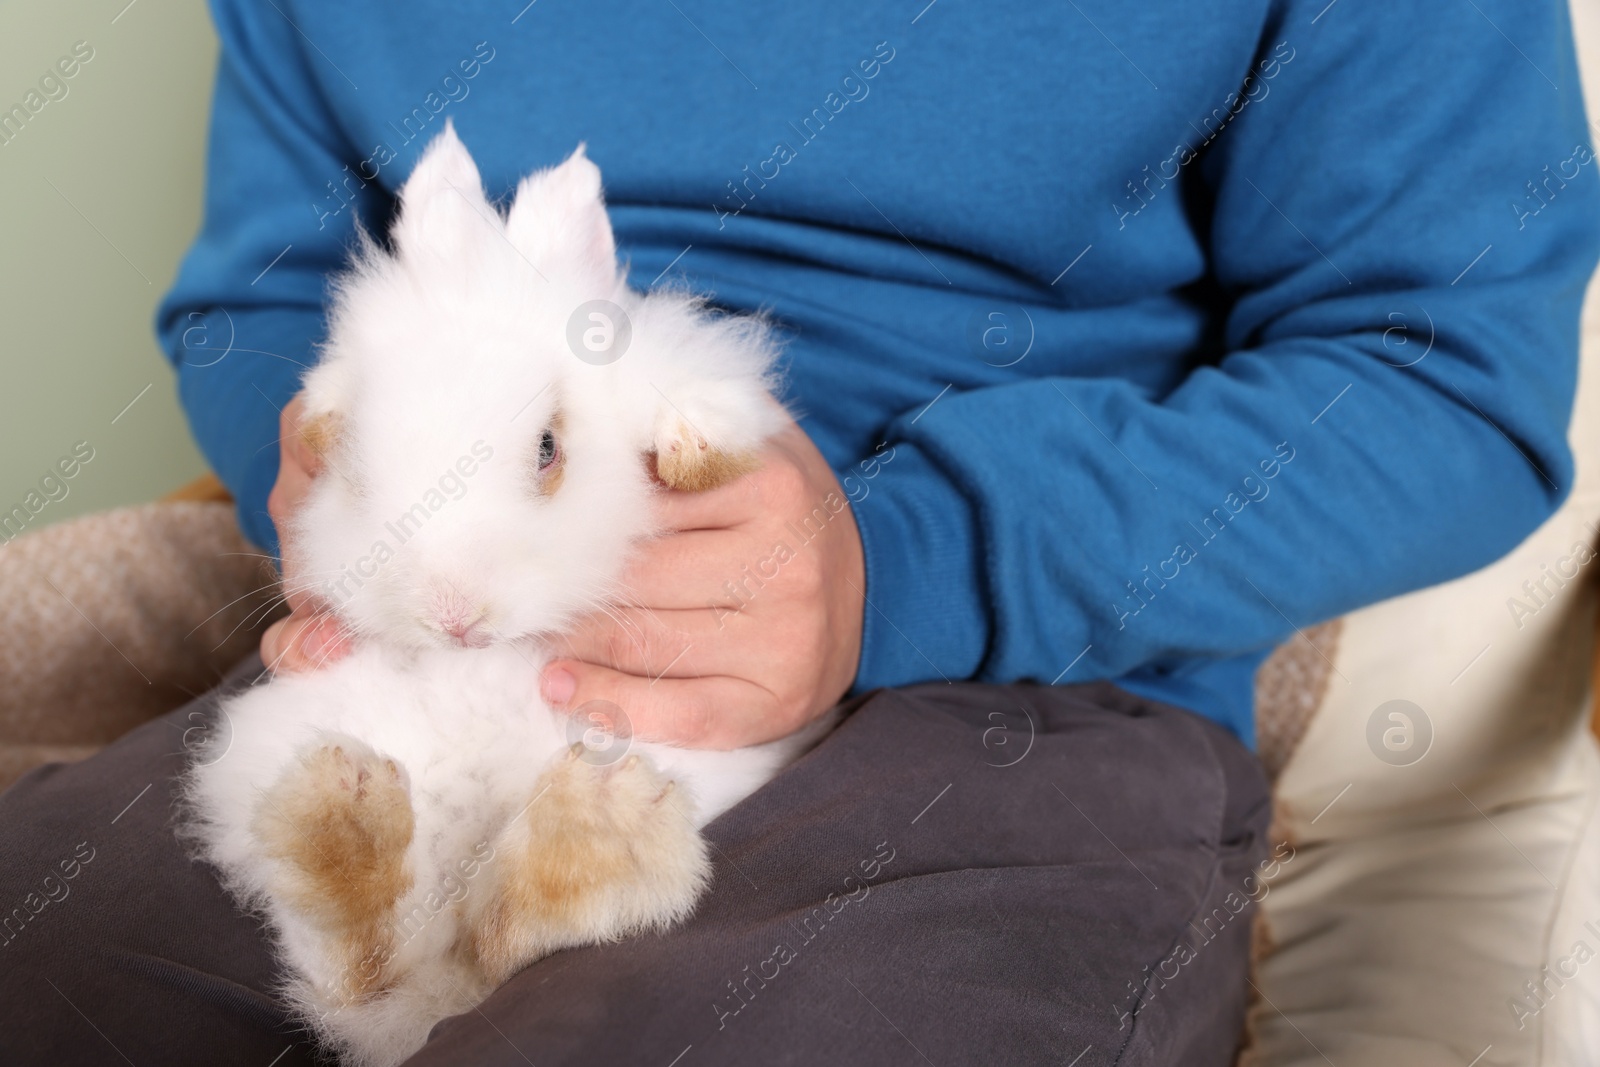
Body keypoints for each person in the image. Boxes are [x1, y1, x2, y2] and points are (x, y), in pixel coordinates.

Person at [2, 1, 1596, 1064]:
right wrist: (361, 483)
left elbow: (1444, 366)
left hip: (1016, 688)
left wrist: (916, 561)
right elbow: (261, 297)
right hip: (435, 667)